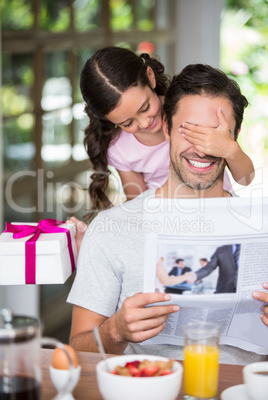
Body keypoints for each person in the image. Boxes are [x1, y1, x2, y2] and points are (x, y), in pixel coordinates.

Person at [67, 64, 267, 365]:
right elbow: (77, 353)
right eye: (189, 131)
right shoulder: (111, 228)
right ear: (167, 129)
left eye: (215, 134)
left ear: (234, 137)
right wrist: (115, 331)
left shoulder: (261, 224)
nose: (202, 149)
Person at [77, 46, 254, 224]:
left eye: (145, 108)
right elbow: (138, 203)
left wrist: (229, 149)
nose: (145, 123)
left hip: (218, 209)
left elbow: (246, 180)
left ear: (150, 77)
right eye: (127, 123)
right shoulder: (120, 149)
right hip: (166, 218)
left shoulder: (185, 105)